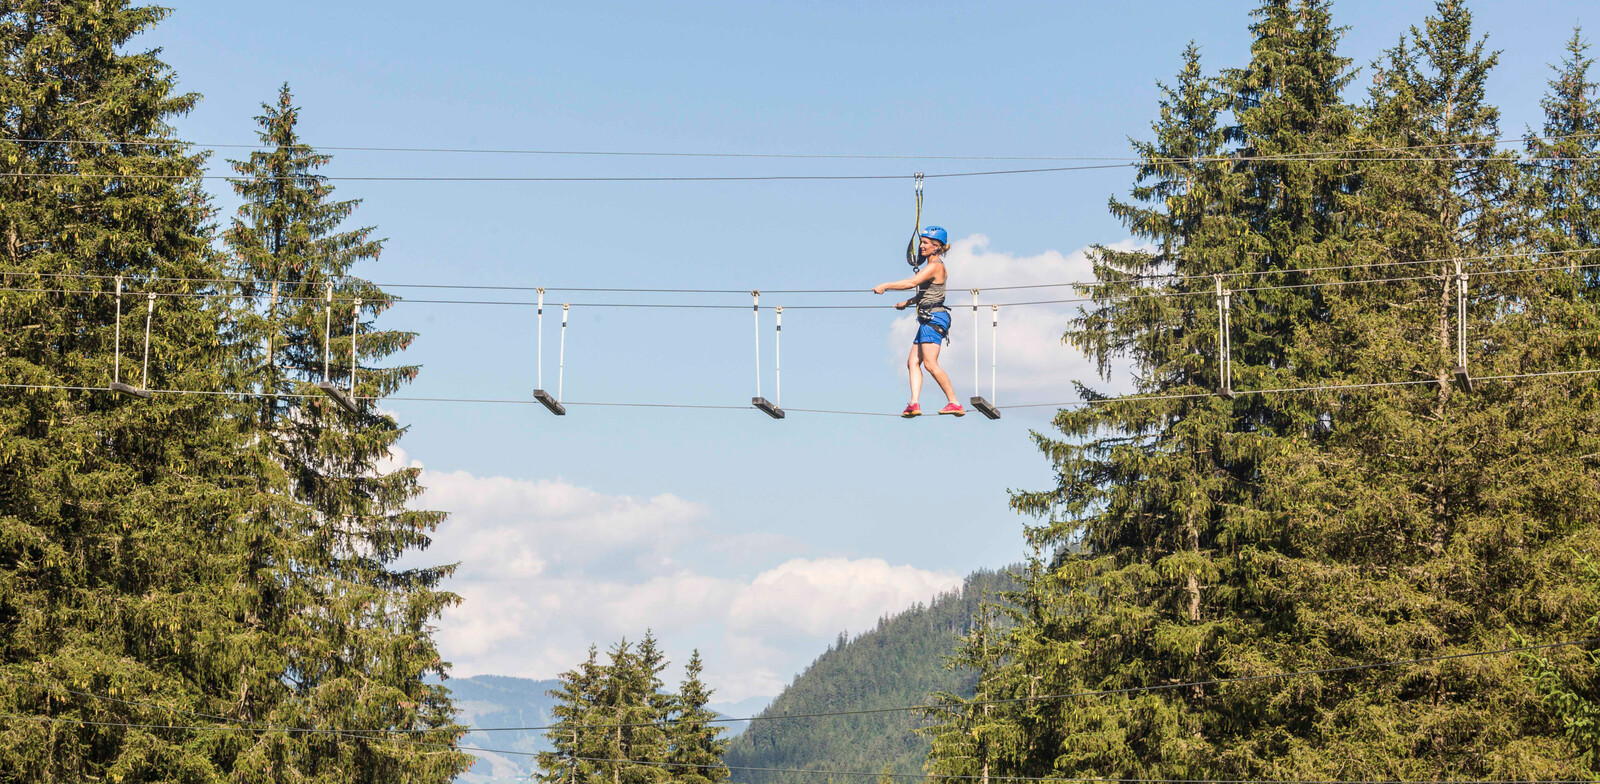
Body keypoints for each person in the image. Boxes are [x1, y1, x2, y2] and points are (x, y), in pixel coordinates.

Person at [874, 226, 964, 417]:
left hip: (934, 318)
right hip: (927, 318)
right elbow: (928, 294)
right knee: (912, 362)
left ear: (936, 247)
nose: (921, 246)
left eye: (925, 243)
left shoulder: (935, 266)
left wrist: (885, 286)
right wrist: (907, 302)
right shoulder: (930, 267)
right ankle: (914, 403)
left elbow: (911, 283)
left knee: (930, 364)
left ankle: (954, 402)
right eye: (921, 242)